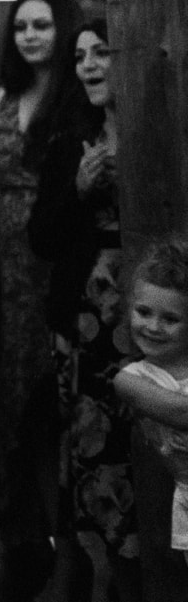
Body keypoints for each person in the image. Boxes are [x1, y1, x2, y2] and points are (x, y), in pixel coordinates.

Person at [0, 0, 80, 592]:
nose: (31, 36)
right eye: (22, 27)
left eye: (43, 25)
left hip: (62, 262)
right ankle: (19, 532)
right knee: (11, 407)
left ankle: (73, 549)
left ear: (65, 28)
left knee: (61, 407)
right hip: (6, 263)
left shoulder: (80, 95)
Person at [32, 20, 141, 600]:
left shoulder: (162, 130)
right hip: (84, 316)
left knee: (145, 439)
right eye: (79, 57)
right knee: (85, 444)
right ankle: (93, 568)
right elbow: (41, 239)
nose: (89, 65)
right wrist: (76, 189)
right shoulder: (71, 137)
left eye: (102, 52)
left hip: (150, 310)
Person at [114, 241, 188, 569]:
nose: (153, 327)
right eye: (144, 312)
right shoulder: (132, 379)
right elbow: (181, 411)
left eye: (170, 318)